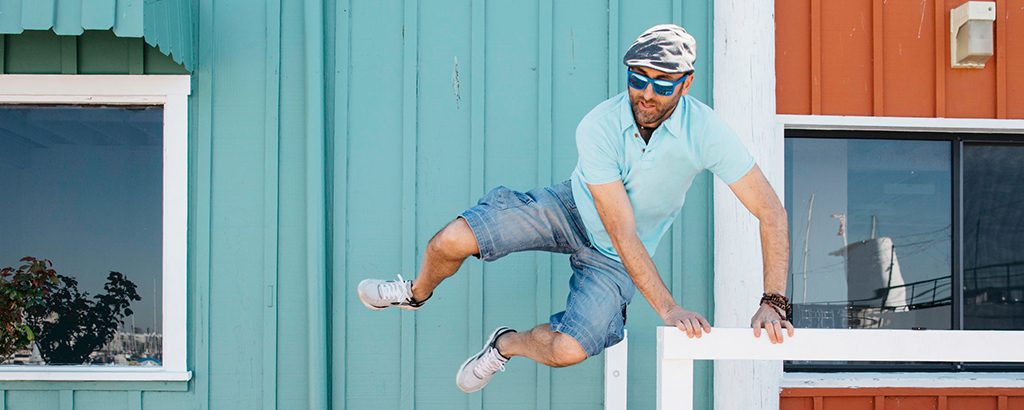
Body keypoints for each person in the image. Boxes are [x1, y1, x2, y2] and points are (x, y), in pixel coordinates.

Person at [356, 24, 793, 393]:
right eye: (637, 78)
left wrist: (773, 301)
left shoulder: (707, 131)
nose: (646, 93)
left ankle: (504, 344)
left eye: (662, 83)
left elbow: (771, 210)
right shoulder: (600, 126)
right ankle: (414, 293)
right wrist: (668, 308)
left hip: (616, 256)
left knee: (569, 350)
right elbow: (617, 225)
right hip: (571, 210)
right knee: (450, 240)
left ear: (685, 83)